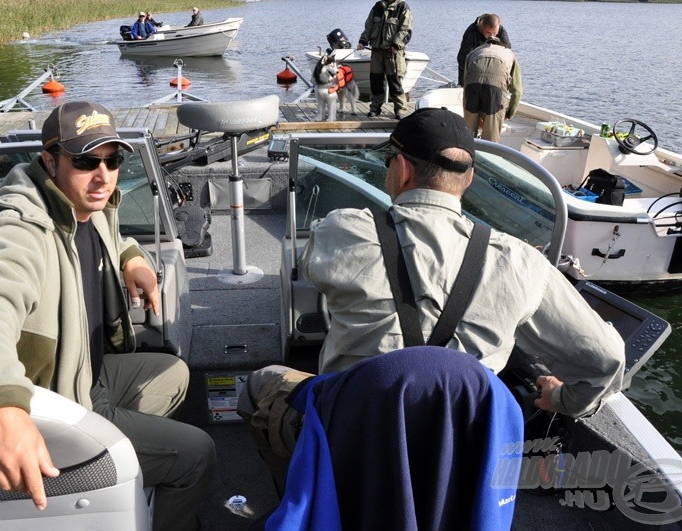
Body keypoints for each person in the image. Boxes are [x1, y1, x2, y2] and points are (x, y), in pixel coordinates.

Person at [239, 108, 624, 496]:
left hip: (351, 444)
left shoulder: (342, 229)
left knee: (260, 385)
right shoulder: (522, 261)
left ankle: (305, 499)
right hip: (456, 459)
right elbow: (606, 360)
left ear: (401, 170)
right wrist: (560, 398)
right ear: (468, 178)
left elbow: (310, 267)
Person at [0, 101, 215, 531]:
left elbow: (112, 232)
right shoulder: (16, 229)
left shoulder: (87, 204)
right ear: (50, 162)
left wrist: (132, 259)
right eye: (86, 161)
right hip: (60, 402)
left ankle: (127, 477)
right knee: (198, 453)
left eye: (113, 160)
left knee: (175, 373)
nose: (103, 175)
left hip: (91, 373)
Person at [356, 0, 413, 120]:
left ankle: (400, 109)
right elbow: (369, 26)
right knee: (375, 81)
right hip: (377, 51)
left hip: (393, 52)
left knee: (395, 81)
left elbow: (405, 30)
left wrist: (396, 45)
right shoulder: (377, 7)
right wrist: (363, 41)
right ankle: (375, 108)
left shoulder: (402, 7)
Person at [462, 36, 522, 142]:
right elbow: (517, 91)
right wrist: (509, 112)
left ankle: (465, 153)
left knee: (468, 133)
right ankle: (487, 155)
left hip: (472, 87)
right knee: (491, 136)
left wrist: (473, 112)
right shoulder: (509, 54)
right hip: (496, 90)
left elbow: (466, 83)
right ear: (502, 45)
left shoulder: (474, 52)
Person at [456, 13, 511, 87]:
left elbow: (507, 54)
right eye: (488, 33)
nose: (491, 36)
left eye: (494, 33)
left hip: (493, 70)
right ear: (482, 26)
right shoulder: (471, 31)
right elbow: (462, 59)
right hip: (472, 69)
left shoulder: (501, 31)